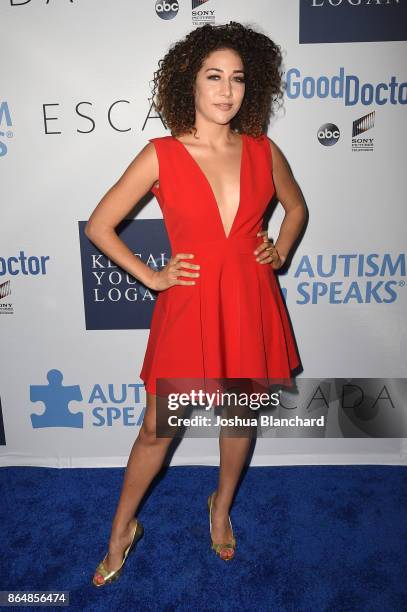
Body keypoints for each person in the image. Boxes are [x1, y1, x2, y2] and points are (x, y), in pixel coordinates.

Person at [86, 21, 306, 586]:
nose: (227, 90)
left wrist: (277, 249)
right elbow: (101, 226)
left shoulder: (262, 148)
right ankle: (120, 530)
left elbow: (297, 208)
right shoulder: (161, 153)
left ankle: (221, 506)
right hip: (189, 306)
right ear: (190, 81)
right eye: (214, 76)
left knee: (238, 421)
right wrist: (152, 277)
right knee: (157, 430)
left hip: (249, 300)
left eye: (237, 78)